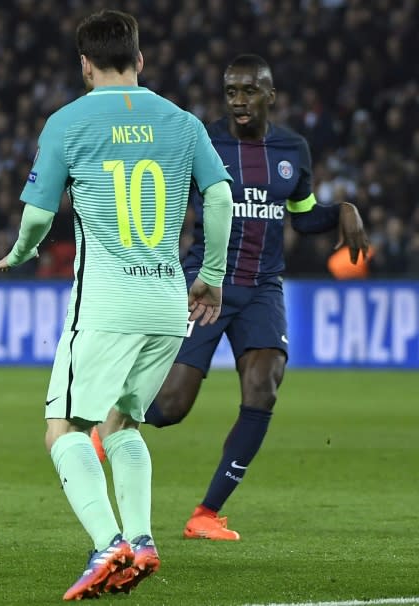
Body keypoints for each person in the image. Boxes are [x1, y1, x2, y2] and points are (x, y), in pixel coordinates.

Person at [0, 10, 232, 600]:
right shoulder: (182, 121)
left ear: (84, 64)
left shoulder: (68, 121)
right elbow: (221, 196)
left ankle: (108, 545)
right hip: (166, 301)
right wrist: (213, 276)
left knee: (63, 428)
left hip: (106, 302)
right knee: (124, 422)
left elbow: (41, 215)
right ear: (140, 60)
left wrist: (21, 252)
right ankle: (143, 542)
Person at [93, 54, 369, 541]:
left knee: (264, 388)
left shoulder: (292, 149)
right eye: (231, 92)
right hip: (207, 284)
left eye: (248, 91)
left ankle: (206, 514)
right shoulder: (201, 141)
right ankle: (107, 423)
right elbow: (160, 201)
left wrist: (342, 210)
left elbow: (302, 216)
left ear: (270, 96)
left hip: (263, 289)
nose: (239, 101)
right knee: (170, 408)